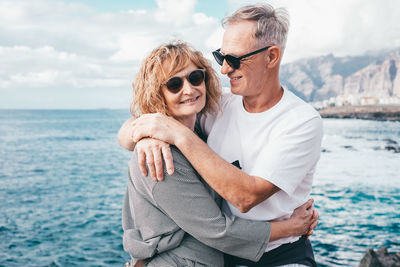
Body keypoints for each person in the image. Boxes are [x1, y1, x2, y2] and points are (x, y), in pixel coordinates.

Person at [119, 3, 323, 267]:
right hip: (221, 255)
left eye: (235, 59)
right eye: (221, 58)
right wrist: (145, 135)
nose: (225, 69)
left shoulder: (300, 121)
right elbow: (138, 126)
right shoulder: (218, 107)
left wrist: (176, 134)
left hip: (277, 256)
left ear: (271, 57)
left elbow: (245, 197)